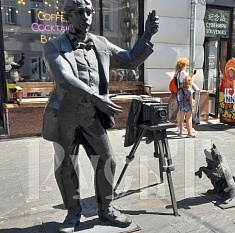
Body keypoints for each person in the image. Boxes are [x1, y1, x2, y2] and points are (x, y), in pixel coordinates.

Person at [42, 0, 159, 232]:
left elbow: (131, 59)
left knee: (107, 160)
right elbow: (63, 77)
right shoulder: (54, 45)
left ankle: (105, 209)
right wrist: (96, 97)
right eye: (80, 12)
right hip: (64, 115)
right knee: (66, 164)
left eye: (89, 12)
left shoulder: (101, 44)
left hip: (91, 116)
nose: (86, 17)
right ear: (68, 16)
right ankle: (72, 213)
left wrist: (146, 36)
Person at [172, 57, 189, 131]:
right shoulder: (183, 73)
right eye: (186, 65)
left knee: (180, 110)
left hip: (178, 92)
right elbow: (187, 82)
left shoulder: (177, 72)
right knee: (184, 111)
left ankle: (179, 127)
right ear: (183, 65)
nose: (187, 66)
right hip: (184, 93)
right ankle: (182, 128)